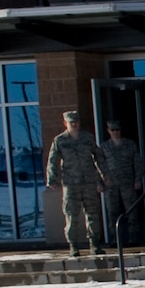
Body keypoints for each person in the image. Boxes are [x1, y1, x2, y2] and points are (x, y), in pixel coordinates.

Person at [44, 110, 107, 257]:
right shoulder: (60, 140)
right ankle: (73, 245)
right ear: (65, 123)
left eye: (76, 122)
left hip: (89, 182)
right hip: (71, 184)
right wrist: (52, 178)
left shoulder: (87, 138)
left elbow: (98, 156)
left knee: (93, 214)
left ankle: (95, 244)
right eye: (71, 122)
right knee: (72, 216)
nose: (74, 124)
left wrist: (105, 175)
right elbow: (52, 161)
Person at [100, 118, 145, 247]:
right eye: (112, 130)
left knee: (132, 209)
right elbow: (99, 165)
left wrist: (138, 179)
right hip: (111, 184)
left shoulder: (129, 144)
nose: (115, 132)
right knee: (112, 211)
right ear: (108, 131)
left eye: (117, 130)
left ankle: (133, 237)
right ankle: (116, 238)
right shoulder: (104, 147)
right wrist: (100, 182)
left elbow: (137, 162)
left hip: (128, 182)